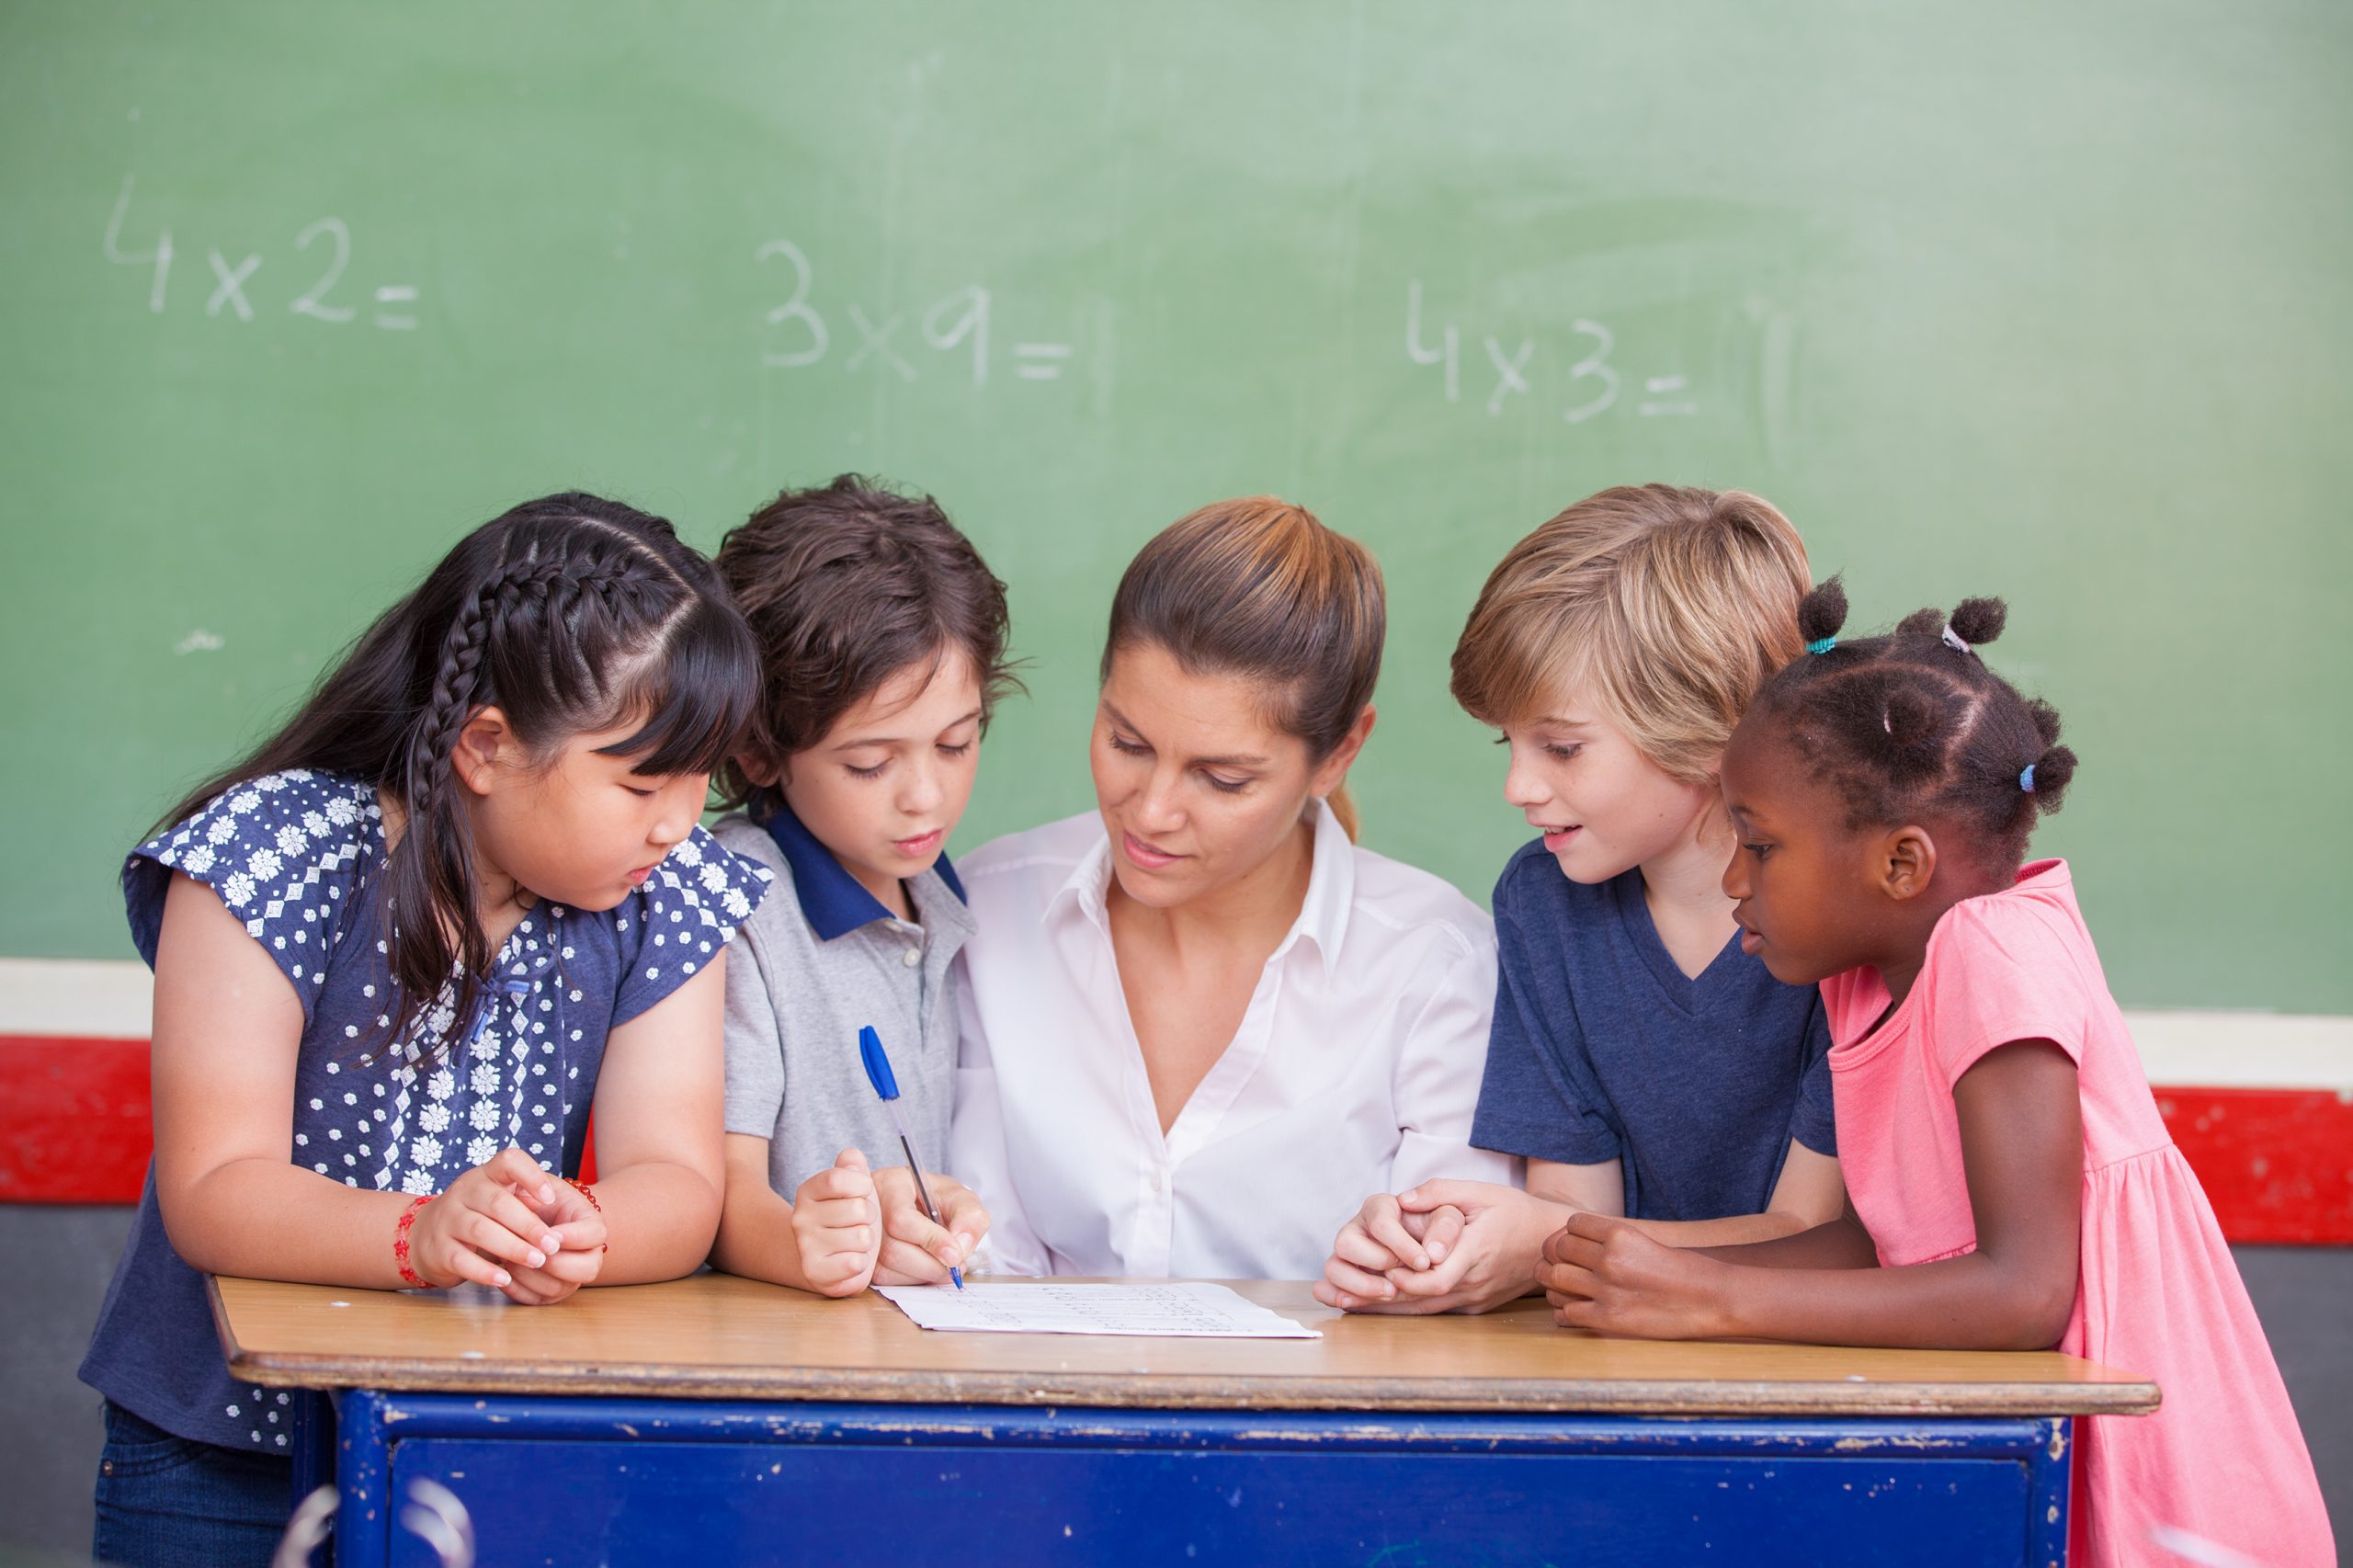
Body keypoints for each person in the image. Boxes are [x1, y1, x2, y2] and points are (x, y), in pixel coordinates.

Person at [1539, 581, 2334, 1568]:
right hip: (2027, 1435)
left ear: (1902, 864)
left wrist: (1714, 1299)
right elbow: (1886, 1248)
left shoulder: (1994, 951)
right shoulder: (1865, 980)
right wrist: (1659, 1270)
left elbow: (2022, 1289)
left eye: (1759, 844)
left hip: (2155, 1471)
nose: (1736, 879)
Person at [80, 493, 770, 1567]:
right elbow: (215, 1187)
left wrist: (585, 1230)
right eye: (641, 777)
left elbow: (675, 1181)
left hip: (477, 1439)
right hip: (219, 1457)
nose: (679, 818)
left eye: (701, 776)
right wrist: (420, 1235)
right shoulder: (273, 854)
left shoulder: (664, 895)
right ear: (485, 744)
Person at [947, 497, 1514, 1279]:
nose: (1150, 811)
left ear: (1339, 754)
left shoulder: (1434, 967)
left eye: (1223, 779)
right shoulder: (989, 910)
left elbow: (1445, 1282)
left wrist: (1420, 1274)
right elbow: (980, 1261)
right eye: (1127, 742)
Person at [1319, 485, 1845, 1314]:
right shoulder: (1545, 906)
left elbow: (1813, 1235)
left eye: (1562, 747)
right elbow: (1569, 1216)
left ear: (1708, 725)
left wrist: (1545, 1244)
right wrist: (1443, 1244)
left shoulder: (1840, 926)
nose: (1519, 787)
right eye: (1512, 742)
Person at [708, 475, 1012, 1297]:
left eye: (956, 744)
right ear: (760, 753)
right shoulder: (732, 901)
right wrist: (817, 1245)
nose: (927, 796)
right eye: (871, 763)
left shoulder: (944, 895)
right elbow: (719, 1198)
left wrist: (916, 1213)